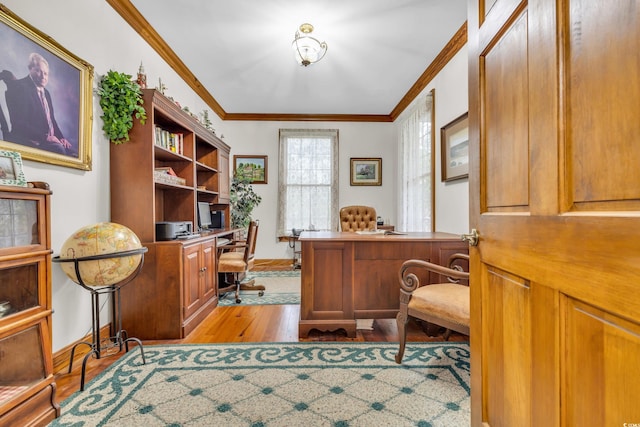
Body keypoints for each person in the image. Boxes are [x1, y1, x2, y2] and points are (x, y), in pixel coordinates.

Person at [4, 53, 76, 156]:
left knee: (73, 153)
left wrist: (61, 138)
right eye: (38, 71)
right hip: (31, 140)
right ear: (30, 69)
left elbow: (51, 120)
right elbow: (18, 123)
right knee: (61, 151)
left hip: (47, 140)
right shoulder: (21, 88)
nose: (43, 76)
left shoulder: (46, 92)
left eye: (46, 73)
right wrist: (45, 137)